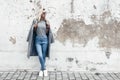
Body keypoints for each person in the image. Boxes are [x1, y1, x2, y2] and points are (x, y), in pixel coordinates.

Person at [26, 9, 54, 77]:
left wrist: (48, 27)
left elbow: (47, 33)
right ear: (40, 14)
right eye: (43, 13)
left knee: (43, 56)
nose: (44, 15)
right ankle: (44, 69)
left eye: (45, 14)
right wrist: (34, 27)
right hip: (37, 40)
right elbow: (34, 32)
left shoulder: (46, 22)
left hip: (45, 40)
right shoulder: (36, 21)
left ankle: (41, 70)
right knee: (40, 55)